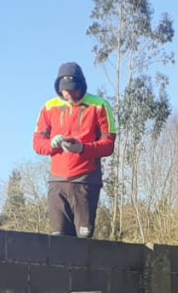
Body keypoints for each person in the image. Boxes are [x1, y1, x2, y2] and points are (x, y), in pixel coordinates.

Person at [33, 62, 116, 239]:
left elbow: (108, 144)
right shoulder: (49, 108)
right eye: (65, 90)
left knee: (83, 240)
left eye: (73, 90)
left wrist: (83, 148)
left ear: (81, 86)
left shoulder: (99, 106)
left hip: (86, 180)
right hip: (57, 180)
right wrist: (52, 145)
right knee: (58, 239)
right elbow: (37, 142)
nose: (69, 94)